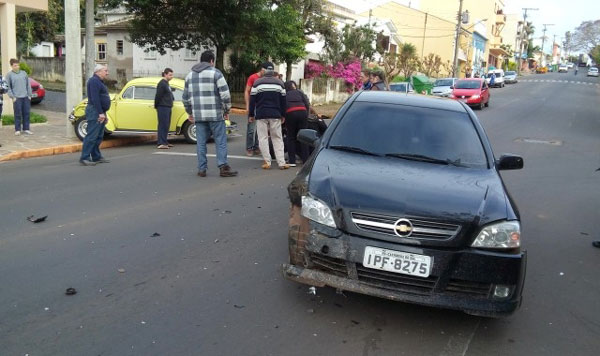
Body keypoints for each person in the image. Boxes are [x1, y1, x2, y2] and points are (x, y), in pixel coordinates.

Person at [183, 50, 237, 178]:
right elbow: (225, 95)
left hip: (199, 116)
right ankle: (223, 166)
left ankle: (202, 169)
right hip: (215, 115)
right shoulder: (216, 73)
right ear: (211, 61)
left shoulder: (189, 76)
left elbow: (185, 98)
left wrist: (190, 112)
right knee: (220, 141)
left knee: (201, 142)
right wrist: (226, 110)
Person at [249, 62, 288, 170]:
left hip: (261, 114)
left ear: (263, 70)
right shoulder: (280, 83)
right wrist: (283, 114)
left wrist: (251, 114)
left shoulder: (257, 83)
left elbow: (252, 100)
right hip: (275, 114)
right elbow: (283, 101)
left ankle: (267, 161)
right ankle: (281, 162)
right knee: (277, 137)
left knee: (263, 138)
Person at [79, 64, 111, 166]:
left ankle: (96, 156)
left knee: (99, 136)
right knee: (92, 135)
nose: (107, 73)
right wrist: (100, 113)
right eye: (105, 71)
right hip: (94, 111)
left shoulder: (99, 82)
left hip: (100, 111)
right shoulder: (93, 81)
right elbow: (95, 98)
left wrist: (104, 113)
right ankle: (85, 157)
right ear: (98, 71)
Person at [244, 62, 269, 156]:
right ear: (262, 70)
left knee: (261, 128)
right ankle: (249, 148)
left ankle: (256, 146)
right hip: (253, 106)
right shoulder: (252, 77)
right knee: (251, 128)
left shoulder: (266, 79)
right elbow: (247, 91)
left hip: (262, 106)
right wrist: (247, 105)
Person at [284, 80, 310, 167]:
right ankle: (305, 160)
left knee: (291, 137)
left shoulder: (284, 94)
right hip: (302, 112)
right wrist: (307, 113)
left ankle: (292, 161)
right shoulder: (300, 92)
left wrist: (283, 116)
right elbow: (306, 103)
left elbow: (282, 106)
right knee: (304, 136)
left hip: (290, 113)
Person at [5, 59, 33, 136]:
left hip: (25, 97)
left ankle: (26, 129)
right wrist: (12, 97)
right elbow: (8, 87)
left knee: (26, 113)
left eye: (18, 65)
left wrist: (29, 95)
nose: (17, 67)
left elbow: (28, 85)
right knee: (17, 114)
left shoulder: (23, 73)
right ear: (11, 66)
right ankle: (17, 130)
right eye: (15, 65)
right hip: (17, 98)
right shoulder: (9, 75)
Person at [154, 68, 175, 149]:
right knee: (162, 124)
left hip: (168, 106)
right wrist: (156, 105)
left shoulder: (166, 83)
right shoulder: (162, 84)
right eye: (170, 75)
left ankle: (165, 141)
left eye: (172, 75)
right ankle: (161, 142)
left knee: (166, 124)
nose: (171, 76)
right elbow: (158, 96)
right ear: (165, 74)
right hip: (163, 107)